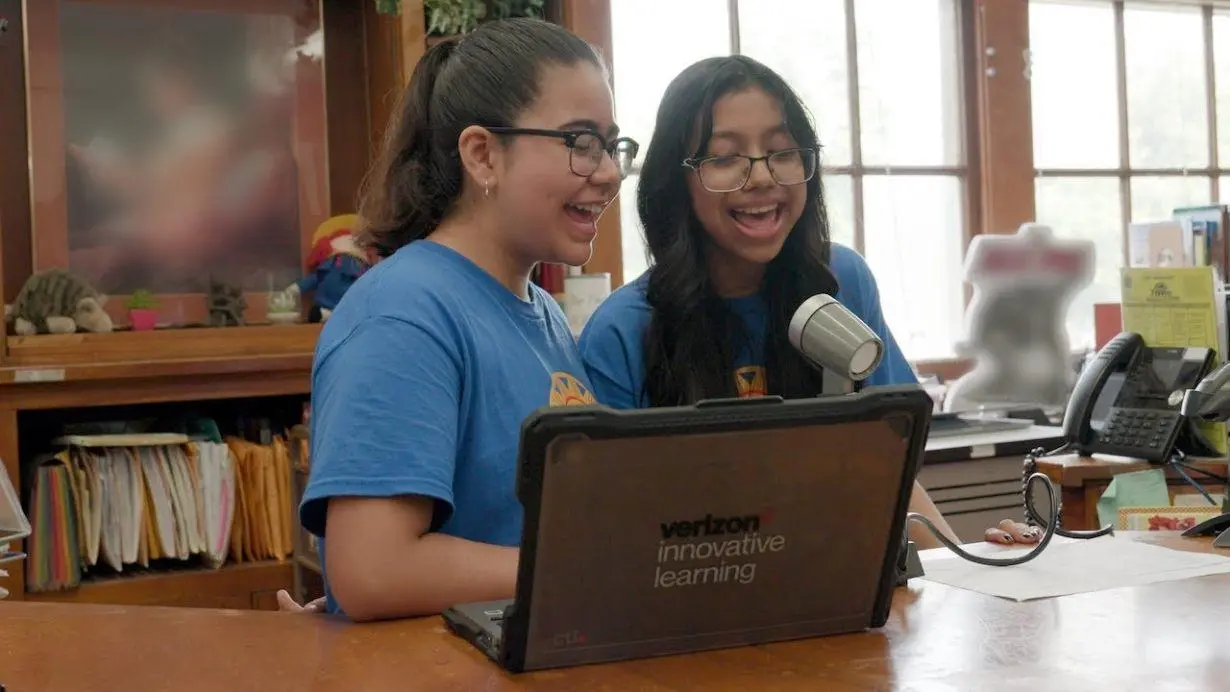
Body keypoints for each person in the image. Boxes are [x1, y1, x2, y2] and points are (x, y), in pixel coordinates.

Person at [577, 55, 1038, 550]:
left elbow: (885, 471)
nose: (761, 178)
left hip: (840, 593)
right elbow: (610, 536)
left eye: (782, 151)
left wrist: (969, 565)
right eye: (725, 157)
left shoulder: (841, 282)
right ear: (677, 182)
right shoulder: (624, 329)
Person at [282, 18, 637, 620]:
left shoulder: (543, 311)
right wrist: (602, 570)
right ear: (482, 155)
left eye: (611, 144)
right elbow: (375, 571)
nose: (606, 172)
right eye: (580, 142)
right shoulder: (404, 312)